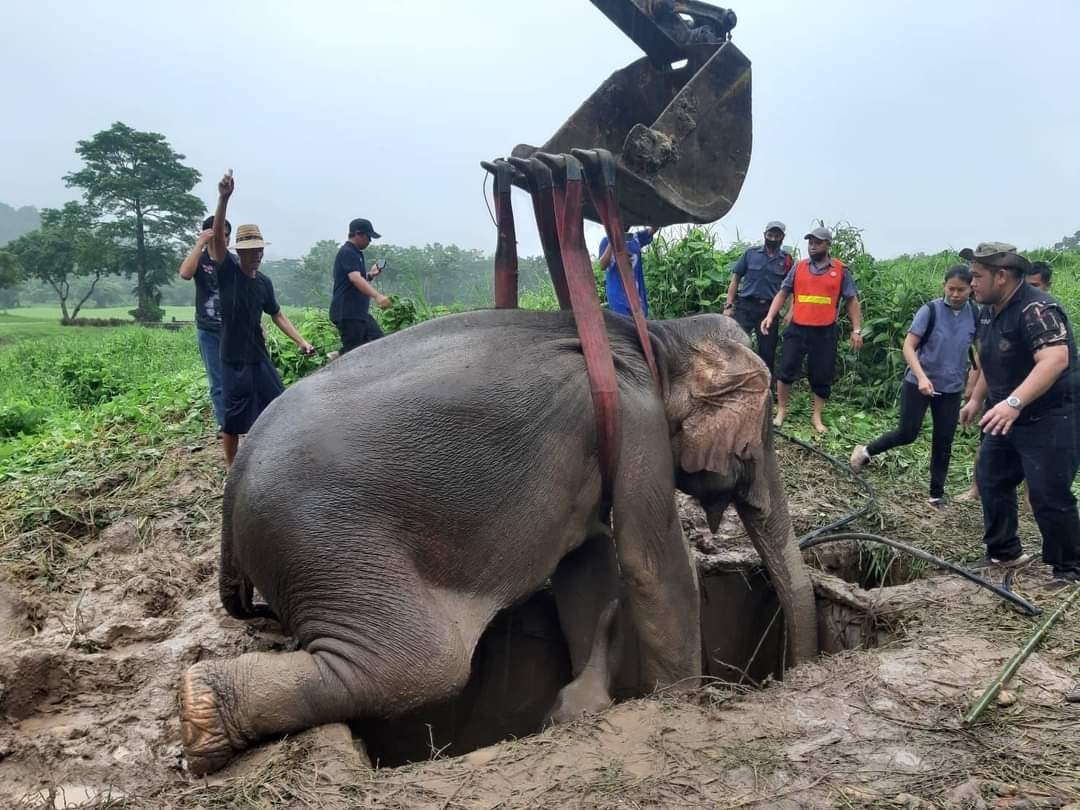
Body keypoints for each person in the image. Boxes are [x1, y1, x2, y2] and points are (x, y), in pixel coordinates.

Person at [957, 242, 1080, 588]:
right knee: (990, 476)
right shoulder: (988, 308)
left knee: (1048, 492)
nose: (972, 281)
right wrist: (977, 398)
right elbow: (989, 358)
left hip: (1050, 416)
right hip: (1006, 413)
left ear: (1002, 276)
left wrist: (1013, 402)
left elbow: (1055, 360)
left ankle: (1069, 568)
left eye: (978, 276)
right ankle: (1004, 551)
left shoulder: (1037, 309)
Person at [207, 171, 314, 465]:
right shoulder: (228, 272)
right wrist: (223, 199)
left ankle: (272, 458)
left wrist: (301, 341)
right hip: (233, 358)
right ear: (239, 253)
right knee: (233, 417)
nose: (256, 256)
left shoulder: (264, 282)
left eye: (258, 251)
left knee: (278, 404)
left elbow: (277, 314)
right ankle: (232, 470)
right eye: (250, 251)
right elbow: (216, 239)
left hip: (258, 356)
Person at [850, 266, 978, 507]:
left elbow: (979, 352)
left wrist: (972, 387)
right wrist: (921, 377)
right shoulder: (930, 311)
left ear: (971, 289)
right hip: (917, 382)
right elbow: (909, 347)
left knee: (944, 441)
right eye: (951, 288)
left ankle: (936, 494)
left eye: (961, 290)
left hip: (950, 388)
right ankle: (866, 451)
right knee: (907, 433)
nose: (955, 294)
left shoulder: (975, 314)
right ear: (944, 286)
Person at [760, 226, 863, 433]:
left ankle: (816, 416)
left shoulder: (840, 271)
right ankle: (781, 411)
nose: (813, 246)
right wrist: (770, 316)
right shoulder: (799, 267)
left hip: (825, 331)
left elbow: (852, 300)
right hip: (797, 328)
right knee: (786, 369)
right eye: (810, 243)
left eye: (817, 243)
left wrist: (857, 329)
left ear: (828, 245)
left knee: (822, 374)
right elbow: (783, 293)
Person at [178, 216, 231, 431]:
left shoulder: (233, 261)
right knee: (217, 381)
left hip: (232, 329)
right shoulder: (199, 260)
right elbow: (184, 273)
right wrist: (200, 244)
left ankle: (239, 418)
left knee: (235, 376)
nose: (224, 240)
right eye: (219, 235)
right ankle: (224, 424)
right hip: (208, 330)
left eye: (227, 236)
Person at [723, 220, 793, 377]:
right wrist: (728, 306)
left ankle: (765, 387)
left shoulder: (787, 260)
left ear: (783, 237)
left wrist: (790, 311)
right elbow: (735, 279)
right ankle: (732, 380)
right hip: (745, 306)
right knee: (736, 345)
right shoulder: (751, 254)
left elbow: (790, 289)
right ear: (764, 235)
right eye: (770, 235)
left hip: (769, 311)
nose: (773, 238)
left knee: (767, 351)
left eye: (777, 235)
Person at [330, 218, 392, 354]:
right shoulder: (348, 252)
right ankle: (336, 358)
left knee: (379, 342)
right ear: (358, 234)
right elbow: (355, 279)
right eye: (368, 237)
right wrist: (377, 296)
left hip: (359, 313)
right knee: (354, 353)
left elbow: (358, 279)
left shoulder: (356, 254)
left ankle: (339, 355)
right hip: (347, 312)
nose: (370, 241)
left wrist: (370, 275)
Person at [597, 225, 658, 318]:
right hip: (618, 297)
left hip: (637, 295)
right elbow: (602, 265)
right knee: (625, 327)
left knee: (641, 325)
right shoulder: (606, 241)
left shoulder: (636, 238)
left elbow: (653, 229)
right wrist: (612, 241)